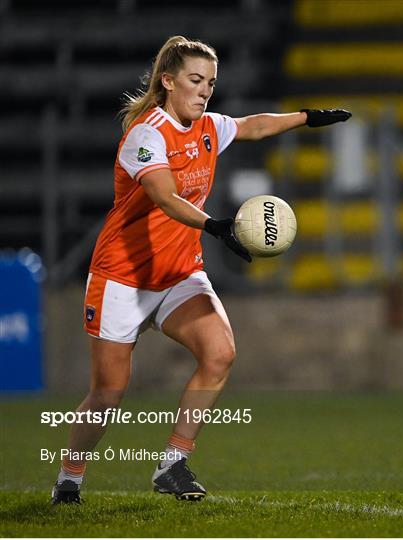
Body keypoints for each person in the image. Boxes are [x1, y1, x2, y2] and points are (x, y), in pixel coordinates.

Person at [51, 35, 351, 504]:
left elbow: (251, 126)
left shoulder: (209, 127)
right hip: (122, 278)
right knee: (108, 396)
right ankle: (69, 477)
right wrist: (217, 227)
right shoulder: (146, 135)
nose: (204, 90)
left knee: (220, 353)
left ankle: (173, 462)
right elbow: (165, 197)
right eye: (195, 80)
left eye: (210, 82)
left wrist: (307, 118)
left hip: (179, 275)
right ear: (168, 82)